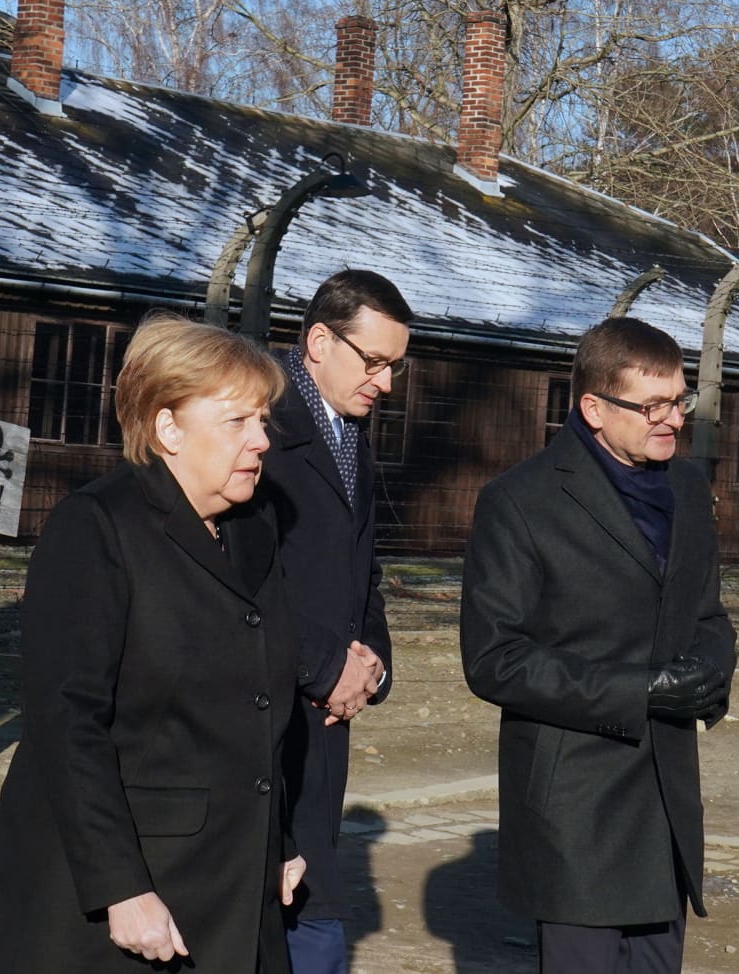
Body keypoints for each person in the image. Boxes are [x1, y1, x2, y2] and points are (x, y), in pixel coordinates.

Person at [0, 315, 305, 974]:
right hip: (125, 895)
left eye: (263, 420)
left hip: (234, 879)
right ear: (167, 427)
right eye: (237, 421)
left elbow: (260, 702)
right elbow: (67, 722)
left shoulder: (251, 528)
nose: (262, 441)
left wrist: (278, 838)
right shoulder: (97, 529)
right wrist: (121, 887)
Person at [460, 316, 737, 974]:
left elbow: (705, 611)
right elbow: (493, 658)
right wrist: (634, 692)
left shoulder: (688, 487)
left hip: (666, 794)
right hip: (575, 805)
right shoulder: (519, 502)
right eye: (651, 406)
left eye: (678, 400)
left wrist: (710, 670)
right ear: (592, 408)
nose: (671, 419)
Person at [261, 269, 413, 974]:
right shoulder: (256, 423)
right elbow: (245, 577)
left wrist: (371, 663)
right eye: (374, 362)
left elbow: (362, 569)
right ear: (319, 340)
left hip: (328, 711)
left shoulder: (348, 430)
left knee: (311, 894)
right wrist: (325, 666)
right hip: (263, 703)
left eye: (395, 367)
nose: (385, 383)